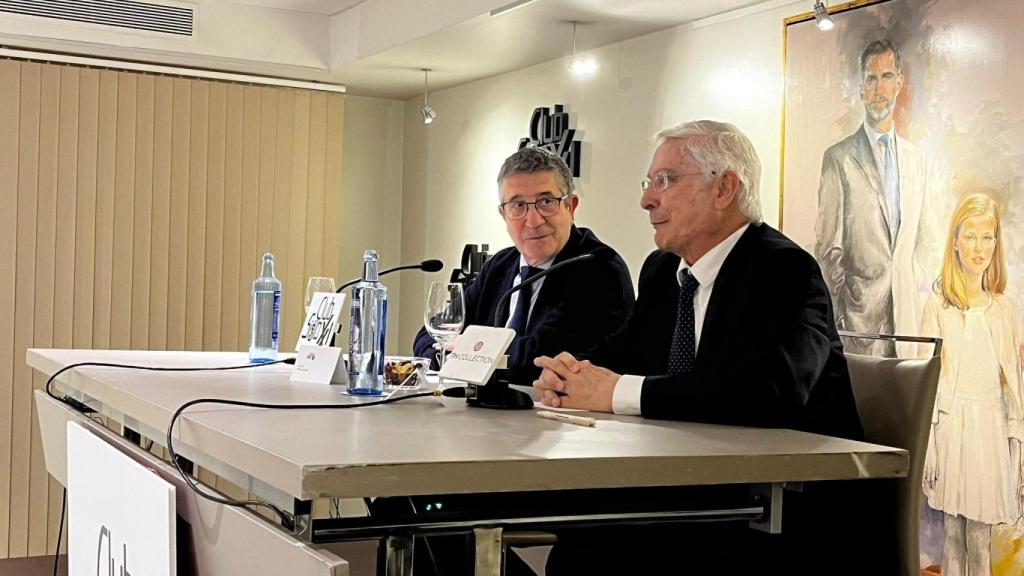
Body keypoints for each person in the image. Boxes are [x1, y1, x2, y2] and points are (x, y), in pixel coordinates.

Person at [533, 120, 870, 574]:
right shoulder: (663, 270)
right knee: (572, 538)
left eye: (665, 181)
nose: (647, 199)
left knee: (590, 552)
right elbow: (624, 352)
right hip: (697, 489)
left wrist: (615, 392)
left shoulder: (783, 269)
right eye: (649, 183)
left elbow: (770, 392)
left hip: (783, 510)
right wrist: (570, 376)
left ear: (724, 188)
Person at [413, 146, 635, 383]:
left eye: (546, 201)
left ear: (570, 207)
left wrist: (465, 351)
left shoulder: (598, 267)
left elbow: (538, 361)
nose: (533, 221)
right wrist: (454, 355)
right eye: (518, 205)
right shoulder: (500, 266)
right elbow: (429, 336)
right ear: (503, 214)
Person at [920, 193, 1024, 576]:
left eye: (988, 237)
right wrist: (929, 443)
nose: (979, 247)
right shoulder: (939, 306)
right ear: (955, 241)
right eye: (971, 236)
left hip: (989, 430)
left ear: (996, 244)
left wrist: (1017, 449)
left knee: (980, 540)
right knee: (952, 535)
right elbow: (927, 385)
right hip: (952, 428)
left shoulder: (1004, 309)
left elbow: (1013, 388)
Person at [815, 39, 931, 357]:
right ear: (861, 87)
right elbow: (828, 251)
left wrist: (920, 295)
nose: (879, 87)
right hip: (857, 329)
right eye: (871, 77)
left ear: (899, 83)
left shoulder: (916, 159)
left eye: (887, 76)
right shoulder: (838, 158)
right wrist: (840, 317)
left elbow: (924, 241)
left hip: (907, 328)